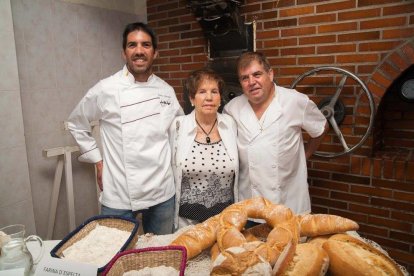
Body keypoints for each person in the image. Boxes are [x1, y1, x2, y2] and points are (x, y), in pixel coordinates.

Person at [67, 22, 183, 234]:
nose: (139, 51)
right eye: (132, 45)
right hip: (119, 191)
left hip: (162, 190)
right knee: (113, 256)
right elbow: (76, 123)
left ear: (155, 52)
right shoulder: (106, 88)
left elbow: (179, 134)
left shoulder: (166, 91)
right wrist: (97, 161)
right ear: (124, 53)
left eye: (145, 45)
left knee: (161, 256)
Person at [224, 51, 328, 219]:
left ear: (270, 74)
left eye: (257, 74)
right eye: (245, 78)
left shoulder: (295, 101)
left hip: (289, 202)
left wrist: (306, 154)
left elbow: (321, 127)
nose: (252, 82)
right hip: (249, 205)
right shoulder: (232, 109)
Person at [169, 68, 239, 230]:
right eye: (202, 92)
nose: (209, 97)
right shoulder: (178, 126)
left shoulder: (230, 124)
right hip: (187, 222)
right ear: (192, 98)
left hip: (224, 221)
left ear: (220, 98)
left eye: (214, 91)